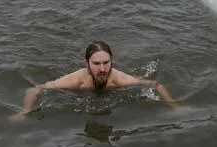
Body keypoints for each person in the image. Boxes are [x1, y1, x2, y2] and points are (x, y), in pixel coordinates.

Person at [9, 41, 179, 121]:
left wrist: (174, 106)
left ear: (112, 62)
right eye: (96, 64)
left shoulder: (119, 80)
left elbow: (156, 85)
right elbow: (35, 89)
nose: (102, 69)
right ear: (87, 64)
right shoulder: (76, 81)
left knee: (141, 79)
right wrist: (24, 111)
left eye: (106, 63)